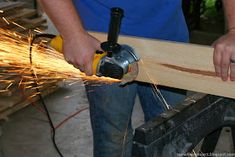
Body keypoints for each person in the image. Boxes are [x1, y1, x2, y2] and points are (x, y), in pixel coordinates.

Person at [38, 0, 235, 157]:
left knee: (171, 136)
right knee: (113, 138)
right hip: (100, 43)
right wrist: (72, 35)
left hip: (169, 39)